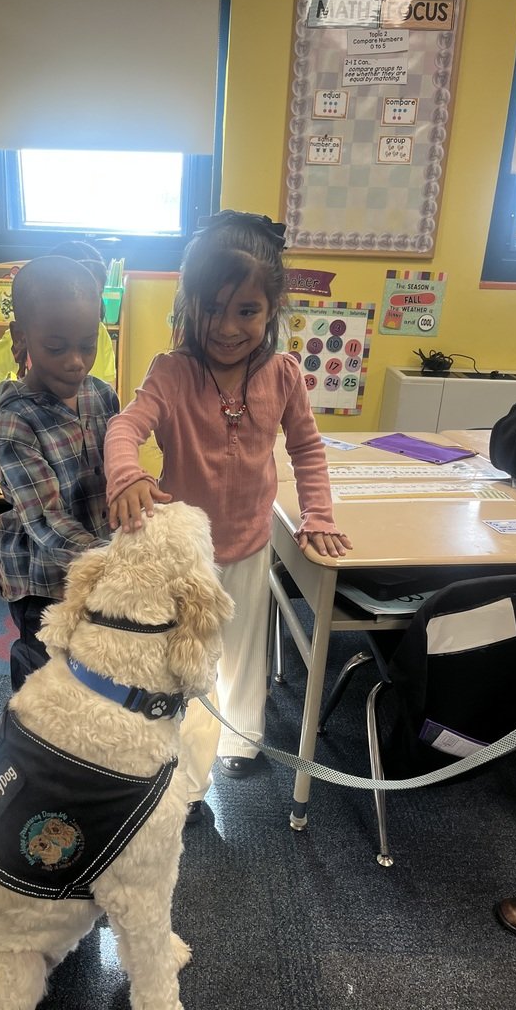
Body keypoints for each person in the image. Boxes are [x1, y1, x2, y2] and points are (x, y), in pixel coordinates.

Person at [104, 210, 352, 822]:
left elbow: (307, 449)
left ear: (272, 310)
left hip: (250, 542)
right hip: (187, 553)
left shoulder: (283, 374)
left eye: (247, 310)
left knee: (243, 649)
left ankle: (241, 740)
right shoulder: (172, 372)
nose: (228, 327)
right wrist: (128, 474)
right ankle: (187, 774)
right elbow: (125, 427)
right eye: (212, 308)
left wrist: (318, 514)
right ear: (188, 304)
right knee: (188, 659)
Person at [0, 255, 119, 691]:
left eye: (88, 344)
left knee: (91, 666)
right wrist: (112, 561)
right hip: (42, 580)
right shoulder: (15, 420)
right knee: (44, 672)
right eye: (57, 348)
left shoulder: (102, 396)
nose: (76, 362)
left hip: (98, 566)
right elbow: (44, 518)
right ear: (21, 338)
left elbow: (119, 471)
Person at [0, 242, 117, 394]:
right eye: (55, 347)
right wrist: (10, 399)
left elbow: (109, 386)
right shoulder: (32, 330)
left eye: (95, 294)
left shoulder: (100, 333)